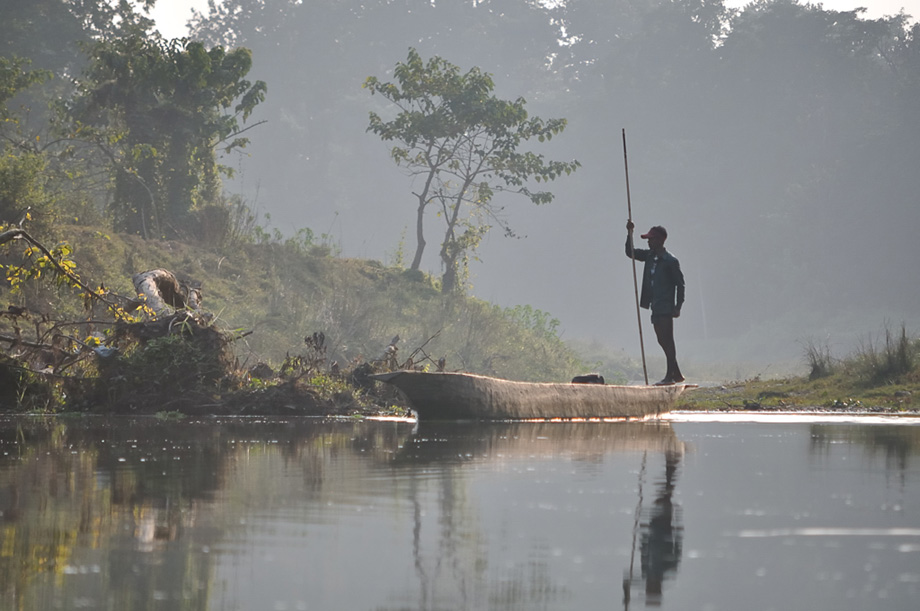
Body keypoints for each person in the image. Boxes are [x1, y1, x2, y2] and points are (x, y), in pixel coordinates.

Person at [626, 221, 685, 385]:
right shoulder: (649, 256)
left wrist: (678, 306)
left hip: (666, 306)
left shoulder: (670, 261)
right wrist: (629, 233)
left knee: (668, 340)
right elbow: (630, 252)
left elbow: (680, 285)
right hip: (655, 305)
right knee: (661, 340)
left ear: (660, 240)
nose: (648, 242)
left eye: (651, 239)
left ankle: (669, 377)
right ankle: (677, 373)